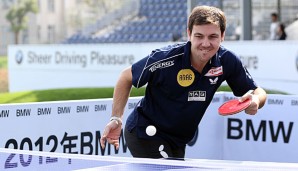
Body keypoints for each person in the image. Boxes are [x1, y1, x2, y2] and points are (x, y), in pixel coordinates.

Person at [100, 5, 267, 159]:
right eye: (199, 36)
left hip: (178, 140)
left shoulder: (227, 61)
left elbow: (258, 92)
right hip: (146, 133)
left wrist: (255, 100)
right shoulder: (166, 58)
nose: (206, 43)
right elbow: (125, 77)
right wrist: (116, 118)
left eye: (213, 36)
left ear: (222, 36)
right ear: (189, 34)